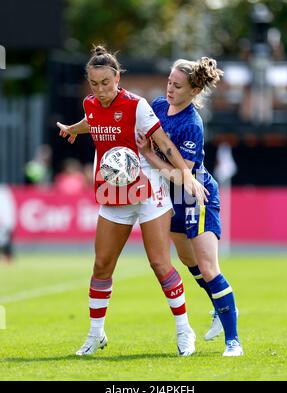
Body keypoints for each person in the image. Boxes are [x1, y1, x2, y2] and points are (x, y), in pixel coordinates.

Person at [56, 45, 209, 357]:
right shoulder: (90, 104)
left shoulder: (137, 106)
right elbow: (93, 121)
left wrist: (187, 176)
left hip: (148, 191)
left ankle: (184, 330)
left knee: (159, 263)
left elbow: (164, 143)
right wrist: (74, 129)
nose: (99, 90)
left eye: (105, 83)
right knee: (101, 266)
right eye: (94, 83)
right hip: (113, 192)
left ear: (117, 78)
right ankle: (95, 335)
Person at [136, 57, 243, 356]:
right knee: (189, 262)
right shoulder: (158, 105)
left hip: (196, 195)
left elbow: (184, 175)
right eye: (169, 82)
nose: (170, 89)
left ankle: (233, 341)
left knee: (209, 268)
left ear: (194, 91)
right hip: (171, 197)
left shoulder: (192, 124)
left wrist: (150, 155)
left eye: (177, 85)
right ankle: (218, 309)